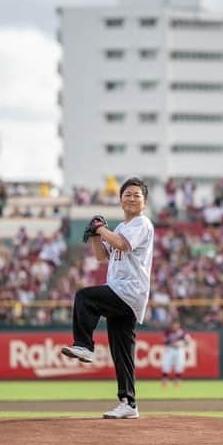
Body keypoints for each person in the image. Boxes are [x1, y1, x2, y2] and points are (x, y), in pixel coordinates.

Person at [61, 177, 155, 419]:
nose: (132, 198)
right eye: (128, 194)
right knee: (121, 349)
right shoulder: (122, 227)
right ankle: (128, 403)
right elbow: (103, 256)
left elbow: (123, 246)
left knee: (84, 297)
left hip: (129, 289)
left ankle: (84, 345)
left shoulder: (142, 223)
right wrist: (95, 236)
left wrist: (101, 228)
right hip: (122, 291)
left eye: (137, 195)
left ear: (144, 202)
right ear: (120, 199)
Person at [161, 320, 192, 387]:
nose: (175, 326)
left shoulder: (182, 332)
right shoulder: (168, 332)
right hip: (170, 349)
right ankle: (165, 380)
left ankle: (177, 381)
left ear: (178, 325)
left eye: (176, 324)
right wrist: (172, 343)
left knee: (179, 365)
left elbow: (188, 342)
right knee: (166, 364)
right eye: (173, 324)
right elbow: (165, 341)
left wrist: (181, 344)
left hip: (179, 350)